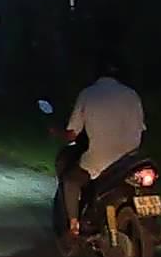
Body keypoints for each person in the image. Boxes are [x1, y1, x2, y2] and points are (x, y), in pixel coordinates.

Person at [57, 53, 146, 237]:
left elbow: (72, 133)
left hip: (101, 161)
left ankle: (74, 227)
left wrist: (57, 133)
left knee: (71, 181)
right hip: (131, 161)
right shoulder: (132, 95)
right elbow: (141, 128)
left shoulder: (88, 94)